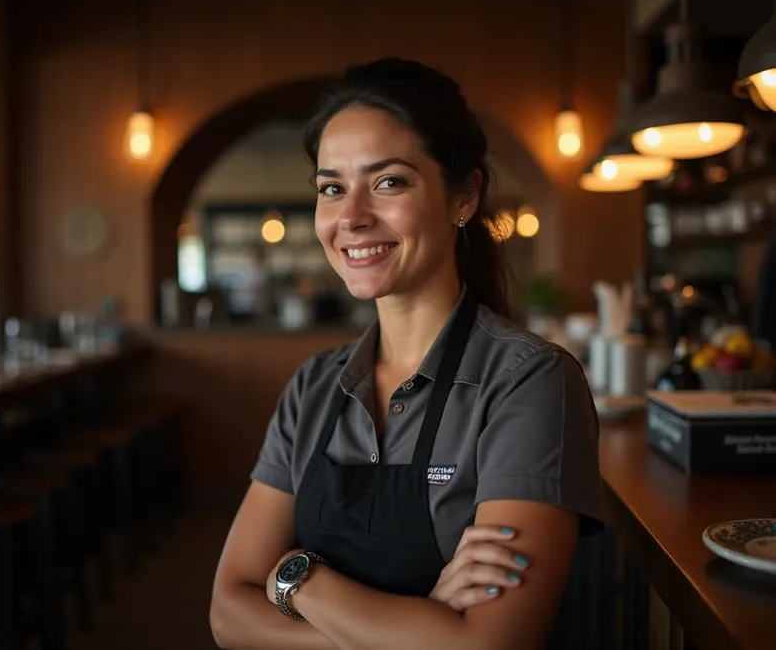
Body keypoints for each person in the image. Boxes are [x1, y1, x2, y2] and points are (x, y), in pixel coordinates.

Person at [210, 58, 605, 650]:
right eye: (331, 188)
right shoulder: (314, 386)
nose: (351, 217)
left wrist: (299, 581)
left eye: (389, 182)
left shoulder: (528, 382)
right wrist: (419, 625)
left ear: (464, 196)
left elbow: (487, 646)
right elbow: (227, 613)